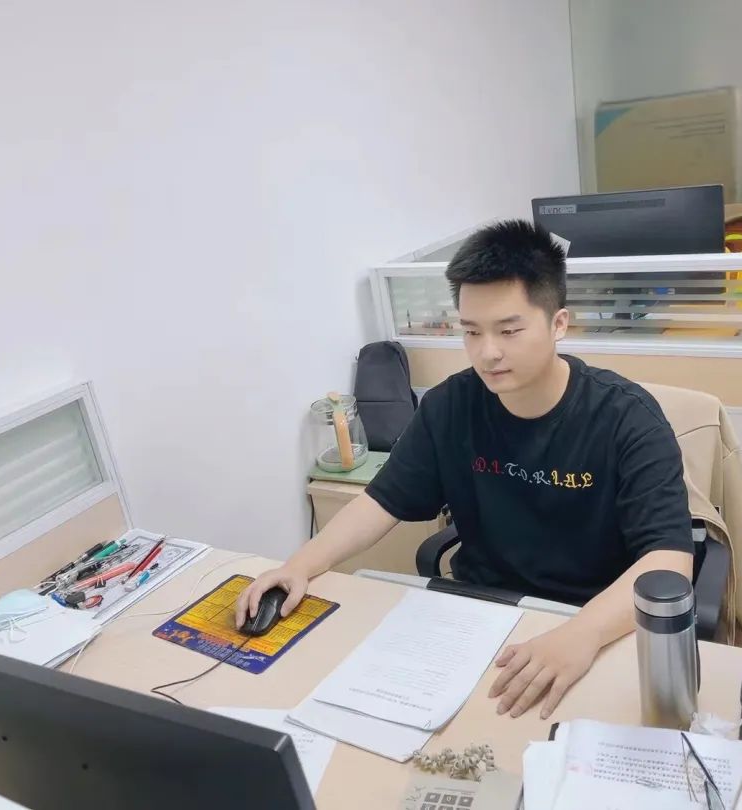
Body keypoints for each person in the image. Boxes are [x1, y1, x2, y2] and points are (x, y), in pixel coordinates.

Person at [237, 220, 693, 719]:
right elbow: (380, 501)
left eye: (509, 331)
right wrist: (299, 565)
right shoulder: (451, 405)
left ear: (559, 323)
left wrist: (580, 633)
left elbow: (669, 559)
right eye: (471, 332)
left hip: (592, 622)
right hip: (477, 615)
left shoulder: (627, 418)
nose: (487, 352)